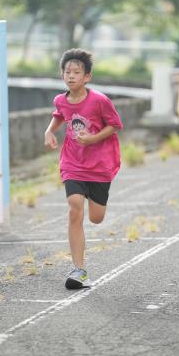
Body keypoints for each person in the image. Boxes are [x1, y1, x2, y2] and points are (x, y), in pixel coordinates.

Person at [44, 48, 123, 290]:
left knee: (96, 218)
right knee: (74, 208)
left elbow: (115, 125)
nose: (70, 76)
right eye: (67, 72)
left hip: (100, 164)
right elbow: (60, 115)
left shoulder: (99, 100)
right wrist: (49, 131)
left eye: (76, 72)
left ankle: (92, 199)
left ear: (87, 76)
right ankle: (79, 270)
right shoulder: (61, 99)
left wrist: (93, 139)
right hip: (73, 162)